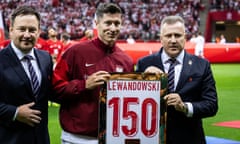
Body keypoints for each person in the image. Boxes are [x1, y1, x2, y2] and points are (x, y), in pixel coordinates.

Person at [52, 3, 134, 144]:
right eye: (108, 23)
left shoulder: (126, 60)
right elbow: (54, 90)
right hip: (77, 139)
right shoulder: (75, 52)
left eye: (117, 23)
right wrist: (84, 85)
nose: (113, 28)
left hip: (114, 138)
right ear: (96, 23)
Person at [136, 15, 218, 144]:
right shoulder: (144, 64)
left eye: (177, 35)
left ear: (185, 37)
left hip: (190, 139)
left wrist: (185, 107)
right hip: (153, 139)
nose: (173, 40)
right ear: (161, 38)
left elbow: (211, 105)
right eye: (168, 36)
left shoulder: (202, 65)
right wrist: (142, 81)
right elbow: (133, 104)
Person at [0, 5, 53, 144]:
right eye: (22, 29)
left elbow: (51, 92)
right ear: (11, 31)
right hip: (10, 138)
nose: (27, 34)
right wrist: (15, 112)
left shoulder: (45, 58)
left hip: (41, 139)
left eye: (32, 30)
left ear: (39, 32)